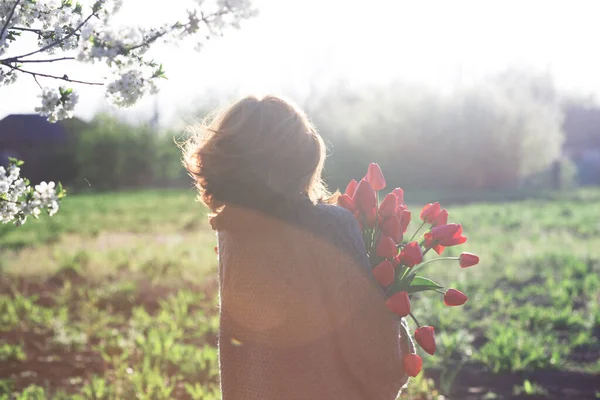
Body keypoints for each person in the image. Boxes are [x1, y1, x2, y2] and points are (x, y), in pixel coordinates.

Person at [183, 95, 414, 400]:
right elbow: (375, 356)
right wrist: (392, 302)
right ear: (302, 158)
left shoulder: (232, 231)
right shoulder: (330, 226)